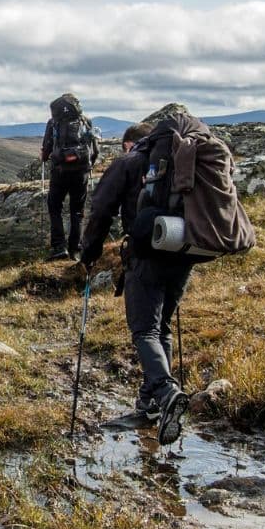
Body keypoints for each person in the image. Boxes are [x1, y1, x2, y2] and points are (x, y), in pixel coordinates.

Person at [78, 119, 190, 446]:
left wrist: (89, 253)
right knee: (161, 325)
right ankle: (151, 404)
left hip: (148, 253)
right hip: (184, 249)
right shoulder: (184, 160)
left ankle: (166, 393)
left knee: (145, 329)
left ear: (131, 144)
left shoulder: (129, 162)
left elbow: (100, 209)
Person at [40, 93, 98, 261]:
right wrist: (89, 166)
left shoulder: (53, 123)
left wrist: (44, 156)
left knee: (55, 206)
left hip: (60, 172)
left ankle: (59, 247)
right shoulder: (86, 121)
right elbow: (94, 150)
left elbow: (46, 150)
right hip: (81, 172)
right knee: (77, 211)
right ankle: (75, 249)